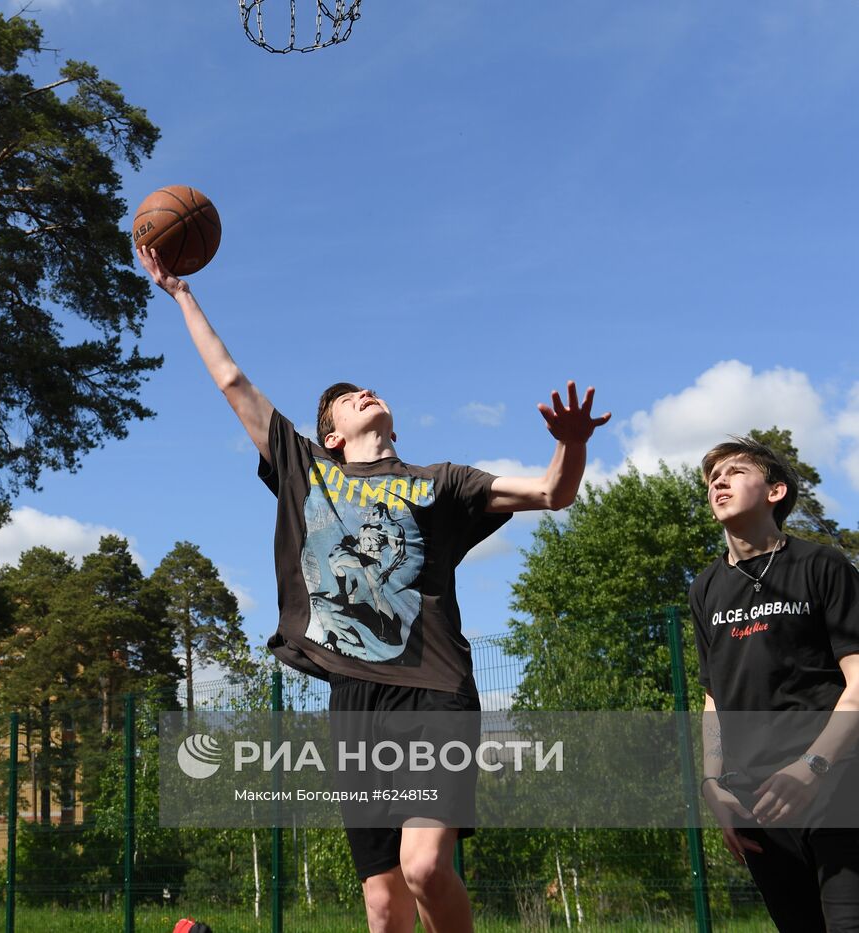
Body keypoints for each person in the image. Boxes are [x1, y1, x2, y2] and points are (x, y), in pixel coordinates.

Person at [137, 246, 610, 933]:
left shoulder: (441, 482)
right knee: (384, 905)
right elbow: (233, 380)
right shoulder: (307, 473)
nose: (363, 392)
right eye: (344, 398)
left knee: (424, 867)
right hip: (354, 702)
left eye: (367, 389)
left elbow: (550, 491)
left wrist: (571, 443)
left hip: (434, 689)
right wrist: (182, 294)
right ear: (330, 435)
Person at [691, 437, 859, 931]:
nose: (718, 481)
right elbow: (713, 698)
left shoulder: (821, 566)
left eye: (736, 472)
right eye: (712, 478)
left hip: (839, 785)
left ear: (775, 491)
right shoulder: (704, 589)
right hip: (756, 803)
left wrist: (812, 766)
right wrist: (712, 786)